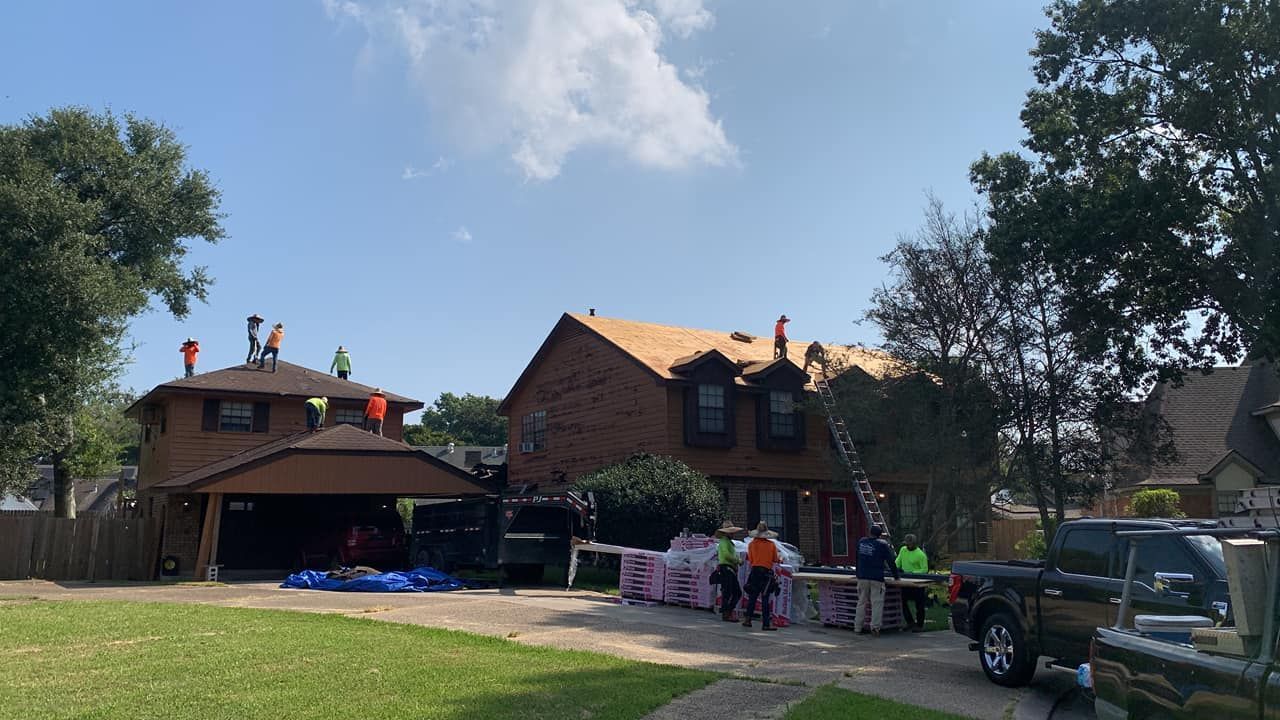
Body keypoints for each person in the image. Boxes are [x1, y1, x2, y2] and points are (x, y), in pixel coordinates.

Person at [855, 525, 900, 637]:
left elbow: (857, 558)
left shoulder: (861, 542)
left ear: (869, 532)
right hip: (876, 578)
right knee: (877, 603)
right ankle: (875, 628)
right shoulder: (882, 544)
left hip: (862, 577)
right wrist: (896, 576)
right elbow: (890, 561)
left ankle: (857, 627)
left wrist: (858, 573)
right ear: (880, 535)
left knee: (861, 602)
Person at [742, 521, 780, 631]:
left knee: (752, 597)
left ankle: (748, 620)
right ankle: (766, 624)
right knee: (765, 598)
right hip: (766, 574)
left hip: (754, 572)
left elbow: (751, 559)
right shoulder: (771, 545)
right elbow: (775, 559)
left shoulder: (751, 544)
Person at [896, 534, 929, 632]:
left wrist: (912, 573)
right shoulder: (903, 550)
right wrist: (894, 567)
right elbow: (898, 562)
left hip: (917, 584)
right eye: (906, 544)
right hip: (905, 583)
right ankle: (910, 622)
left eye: (909, 544)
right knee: (902, 602)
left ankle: (919, 625)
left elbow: (924, 570)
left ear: (914, 544)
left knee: (919, 605)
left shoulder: (920, 555)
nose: (907, 546)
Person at [714, 521, 743, 622]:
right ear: (726, 533)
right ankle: (727, 613)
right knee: (730, 592)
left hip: (729, 568)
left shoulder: (727, 542)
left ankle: (728, 612)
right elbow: (726, 555)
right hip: (727, 568)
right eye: (731, 532)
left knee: (733, 592)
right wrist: (738, 560)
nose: (733, 534)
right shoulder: (724, 542)